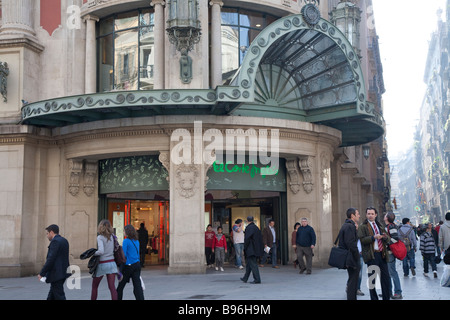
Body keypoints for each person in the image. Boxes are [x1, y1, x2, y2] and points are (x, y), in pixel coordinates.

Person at [358, 207, 391, 300]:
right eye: (368, 214)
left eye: (372, 214)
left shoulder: (379, 225)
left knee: (385, 278)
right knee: (372, 280)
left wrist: (384, 237)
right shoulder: (363, 227)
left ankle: (386, 297)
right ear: (366, 215)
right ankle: (374, 298)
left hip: (382, 254)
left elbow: (388, 238)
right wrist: (373, 237)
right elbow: (362, 240)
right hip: (372, 255)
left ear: (375, 215)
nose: (370, 215)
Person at [38, 224, 70, 300]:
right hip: (63, 272)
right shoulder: (64, 240)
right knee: (52, 296)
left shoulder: (55, 241)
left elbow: (51, 259)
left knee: (59, 296)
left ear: (51, 232)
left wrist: (42, 273)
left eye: (47, 233)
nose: (47, 235)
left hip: (56, 274)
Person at [91, 220, 118, 300]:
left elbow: (101, 251)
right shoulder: (113, 237)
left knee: (95, 286)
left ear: (101, 227)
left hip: (102, 264)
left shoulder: (100, 237)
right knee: (112, 287)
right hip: (112, 263)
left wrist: (94, 253)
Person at [116, 225, 145, 300]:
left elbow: (124, 255)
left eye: (124, 231)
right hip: (137, 265)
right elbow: (137, 253)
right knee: (137, 287)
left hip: (128, 266)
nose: (123, 232)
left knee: (120, 287)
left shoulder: (126, 241)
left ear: (127, 232)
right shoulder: (137, 241)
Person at [339, 208, 361, 300]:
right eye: (357, 214)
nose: (359, 215)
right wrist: (357, 256)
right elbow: (351, 243)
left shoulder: (348, 225)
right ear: (352, 215)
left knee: (353, 280)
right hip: (352, 257)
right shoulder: (349, 226)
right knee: (353, 281)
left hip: (350, 256)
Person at [384, 212, 402, 299]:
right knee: (388, 273)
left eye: (385, 215)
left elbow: (395, 239)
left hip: (390, 253)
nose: (384, 216)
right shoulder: (389, 226)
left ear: (387, 218)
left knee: (392, 272)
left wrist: (386, 242)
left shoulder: (391, 226)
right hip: (388, 253)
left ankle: (398, 292)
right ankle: (389, 291)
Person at [241, 216, 264, 284]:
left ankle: (257, 279)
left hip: (251, 249)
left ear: (247, 221)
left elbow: (247, 239)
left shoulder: (249, 228)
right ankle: (245, 278)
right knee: (249, 264)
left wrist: (245, 247)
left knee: (253, 264)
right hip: (256, 248)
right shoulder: (256, 228)